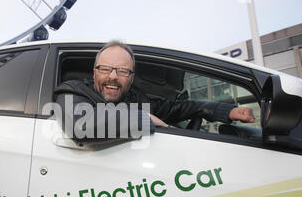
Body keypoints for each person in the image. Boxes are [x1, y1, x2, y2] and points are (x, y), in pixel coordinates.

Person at [53, 40, 255, 143]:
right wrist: (143, 118)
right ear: (94, 72)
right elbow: (81, 126)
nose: (113, 76)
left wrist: (225, 110)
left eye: (122, 71)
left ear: (131, 78)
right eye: (106, 69)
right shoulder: (73, 90)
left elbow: (177, 108)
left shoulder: (135, 98)